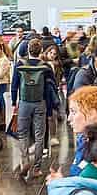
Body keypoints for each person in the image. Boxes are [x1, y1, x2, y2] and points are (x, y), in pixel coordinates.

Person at [11, 39, 60, 180]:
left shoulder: (19, 65)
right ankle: (37, 168)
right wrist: (50, 109)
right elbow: (51, 89)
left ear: (28, 50)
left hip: (24, 103)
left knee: (23, 134)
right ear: (40, 51)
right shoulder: (45, 66)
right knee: (39, 136)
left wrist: (14, 102)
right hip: (40, 103)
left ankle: (24, 161)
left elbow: (14, 85)